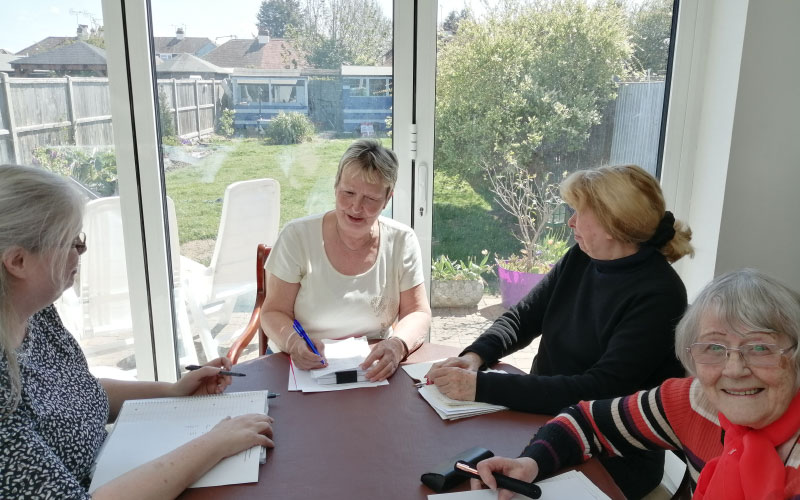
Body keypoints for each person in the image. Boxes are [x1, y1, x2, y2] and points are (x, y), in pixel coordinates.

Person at [0, 164, 275, 499]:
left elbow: (76, 391)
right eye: (72, 242)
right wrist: (214, 443)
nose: (81, 251)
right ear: (17, 262)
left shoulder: (36, 314)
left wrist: (171, 392)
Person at [426, 164, 694, 498]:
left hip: (609, 453)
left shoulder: (660, 294)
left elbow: (600, 389)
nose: (570, 222)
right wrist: (475, 356)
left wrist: (481, 386)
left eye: (579, 212)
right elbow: (524, 316)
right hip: (545, 421)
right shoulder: (581, 258)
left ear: (613, 224)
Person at [473, 268, 800, 499]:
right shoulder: (694, 402)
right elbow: (585, 421)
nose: (735, 368)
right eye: (713, 347)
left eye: (760, 348)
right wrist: (530, 463)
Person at [260, 138, 431, 381]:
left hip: (371, 369)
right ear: (335, 186)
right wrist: (293, 342)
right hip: (301, 367)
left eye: (370, 199)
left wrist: (397, 345)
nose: (355, 207)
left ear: (387, 199)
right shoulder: (297, 236)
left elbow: (418, 312)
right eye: (348, 193)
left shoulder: (402, 241)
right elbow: (273, 311)